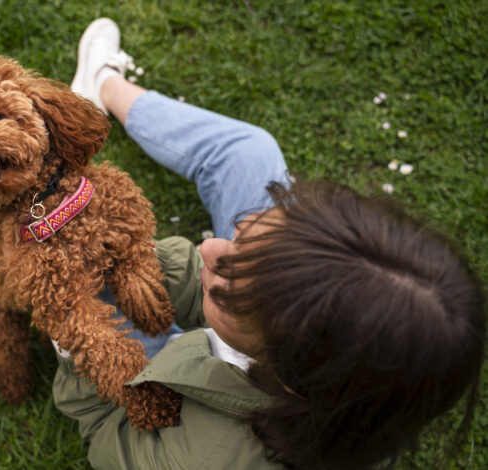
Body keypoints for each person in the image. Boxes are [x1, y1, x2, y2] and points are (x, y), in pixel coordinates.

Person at [51, 18, 487, 470]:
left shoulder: (202, 458)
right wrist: (172, 270)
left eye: (231, 276)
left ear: (290, 370)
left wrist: (78, 336)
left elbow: (104, 430)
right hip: (260, 345)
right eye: (251, 231)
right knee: (250, 154)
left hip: (174, 386)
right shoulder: (368, 375)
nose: (208, 248)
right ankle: (103, 85)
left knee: (86, 290)